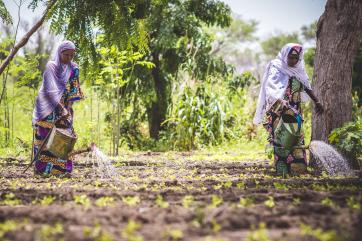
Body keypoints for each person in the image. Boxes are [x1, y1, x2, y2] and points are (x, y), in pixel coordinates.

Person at [253, 43, 323, 176]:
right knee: (282, 140)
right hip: (279, 109)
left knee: (296, 139)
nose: (293, 61)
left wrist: (317, 102)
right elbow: (270, 87)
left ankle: (298, 169)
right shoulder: (276, 66)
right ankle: (282, 170)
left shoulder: (299, 69)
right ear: (285, 55)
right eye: (290, 57)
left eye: (295, 58)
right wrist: (280, 100)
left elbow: (307, 86)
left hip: (295, 110)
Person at [32, 40, 84, 177]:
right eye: (66, 55)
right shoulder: (52, 66)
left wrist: (68, 108)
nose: (69, 58)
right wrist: (61, 108)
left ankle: (61, 170)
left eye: (72, 55)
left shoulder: (74, 69)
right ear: (59, 53)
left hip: (64, 108)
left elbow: (74, 92)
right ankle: (42, 170)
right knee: (45, 136)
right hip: (47, 107)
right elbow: (50, 91)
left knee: (64, 136)